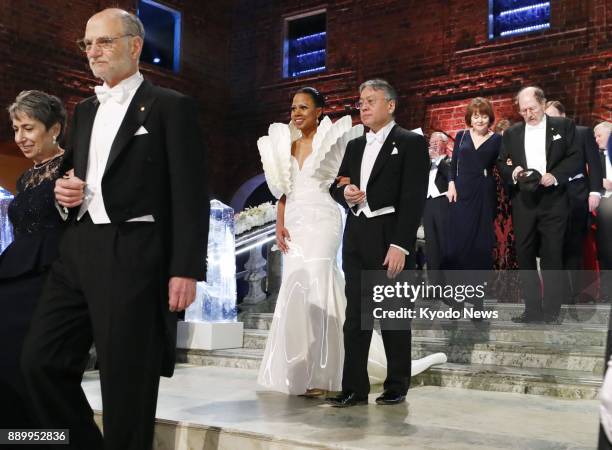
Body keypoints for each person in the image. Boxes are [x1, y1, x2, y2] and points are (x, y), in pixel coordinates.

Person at [19, 9, 209, 450]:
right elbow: (79, 174)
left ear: (135, 46)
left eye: (103, 42)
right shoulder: (83, 110)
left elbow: (190, 192)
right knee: (40, 361)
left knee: (127, 382)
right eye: (87, 44)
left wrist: (186, 268)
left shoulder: (170, 106)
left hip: (135, 250)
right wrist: (66, 189)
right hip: (79, 248)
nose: (93, 52)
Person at [256, 87, 445, 396]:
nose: (296, 113)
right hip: (299, 224)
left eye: (304, 107)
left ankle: (333, 372)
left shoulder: (398, 143)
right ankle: (305, 373)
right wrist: (281, 223)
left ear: (319, 111)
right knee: (301, 291)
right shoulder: (300, 147)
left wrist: (399, 242)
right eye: (293, 108)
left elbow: (409, 199)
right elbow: (287, 191)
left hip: (327, 224)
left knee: (324, 285)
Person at [326, 79, 429, 407]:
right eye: (361, 101)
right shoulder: (355, 144)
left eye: (371, 100)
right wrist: (345, 193)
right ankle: (354, 388)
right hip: (356, 237)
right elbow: (336, 183)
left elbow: (413, 198)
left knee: (394, 316)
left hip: (390, 238)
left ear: (391, 105)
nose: (364, 106)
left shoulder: (410, 142)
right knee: (355, 317)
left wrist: (401, 245)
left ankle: (397, 385)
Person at [0, 90, 66, 429]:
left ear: (53, 128)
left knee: (30, 363)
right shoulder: (26, 177)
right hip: (13, 278)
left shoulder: (72, 168)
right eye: (15, 128)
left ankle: (43, 436)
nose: (20, 138)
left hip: (51, 280)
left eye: (28, 128)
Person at [496, 86, 580, 323]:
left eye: (532, 108)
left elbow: (575, 156)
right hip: (524, 200)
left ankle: (552, 311)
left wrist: (555, 175)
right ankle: (531, 309)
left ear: (543, 104)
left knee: (553, 254)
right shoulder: (512, 133)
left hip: (554, 199)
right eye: (523, 110)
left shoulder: (563, 126)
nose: (528, 114)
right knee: (524, 254)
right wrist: (514, 172)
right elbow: (501, 162)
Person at [545, 100, 603, 304]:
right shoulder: (546, 138)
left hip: (579, 194)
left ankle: (578, 294)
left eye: (552, 116)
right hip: (554, 196)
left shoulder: (582, 132)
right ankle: (560, 294)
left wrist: (595, 192)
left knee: (576, 244)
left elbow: (594, 165)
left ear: (563, 115)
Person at [445, 97, 501, 271]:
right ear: (470, 118)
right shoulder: (461, 136)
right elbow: (453, 164)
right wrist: (451, 183)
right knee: (459, 236)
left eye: (484, 116)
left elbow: (503, 165)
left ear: (489, 118)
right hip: (461, 190)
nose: (480, 120)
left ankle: (476, 289)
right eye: (476, 116)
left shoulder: (498, 139)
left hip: (484, 190)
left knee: (481, 239)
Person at [423, 132, 451, 286]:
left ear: (445, 144)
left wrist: (438, 161)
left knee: (443, 243)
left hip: (443, 203)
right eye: (431, 141)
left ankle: (448, 284)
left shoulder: (450, 161)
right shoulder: (426, 164)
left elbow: (451, 177)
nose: (433, 143)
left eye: (437, 141)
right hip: (428, 205)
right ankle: (434, 285)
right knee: (431, 245)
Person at [595, 122, 612, 303]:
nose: (596, 139)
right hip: (604, 208)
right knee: (606, 250)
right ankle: (607, 293)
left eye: (599, 135)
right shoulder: (595, 157)